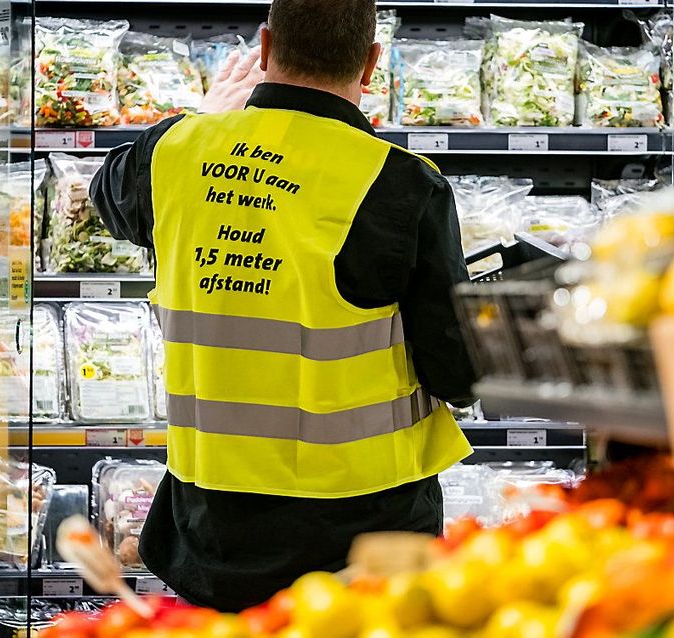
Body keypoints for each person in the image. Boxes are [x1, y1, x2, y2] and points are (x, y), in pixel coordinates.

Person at [90, 0, 477, 612]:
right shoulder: (401, 183)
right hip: (362, 539)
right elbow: (458, 372)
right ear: (372, 63)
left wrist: (201, 118)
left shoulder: (174, 155)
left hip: (210, 528)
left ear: (265, 49)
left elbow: (107, 194)